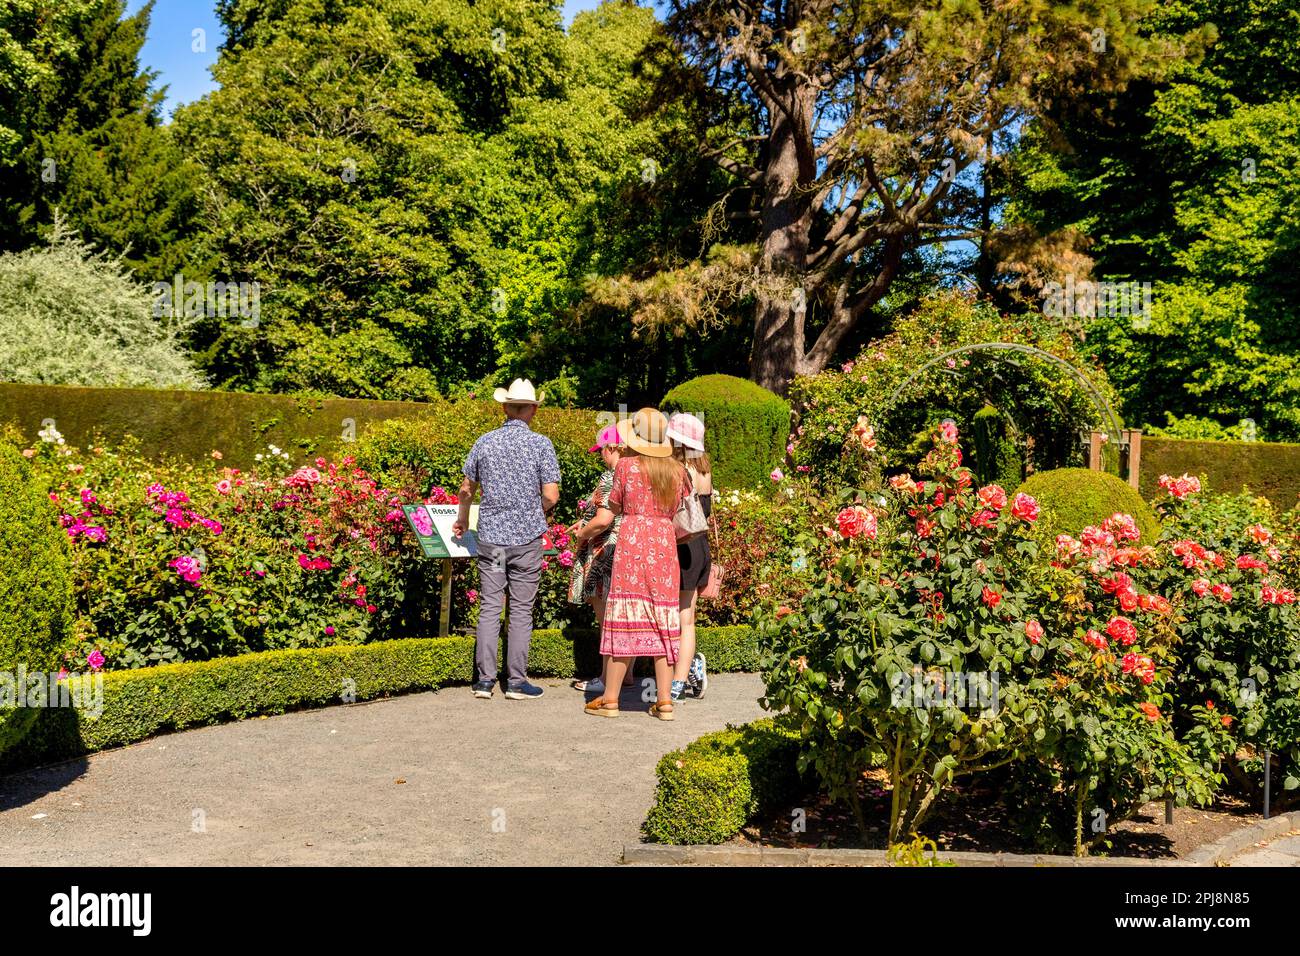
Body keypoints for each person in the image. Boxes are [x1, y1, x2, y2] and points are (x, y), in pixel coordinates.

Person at [454, 378, 560, 700]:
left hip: (492, 541)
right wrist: (533, 512)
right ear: (532, 411)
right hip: (526, 542)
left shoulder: (484, 442)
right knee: (521, 610)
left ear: (504, 407)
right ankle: (516, 682)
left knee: (489, 605)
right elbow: (552, 496)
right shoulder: (541, 444)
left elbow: (465, 490)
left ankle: (484, 682)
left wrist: (461, 519)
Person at [584, 408, 687, 720]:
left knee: (624, 616)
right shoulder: (678, 471)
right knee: (663, 619)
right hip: (664, 543)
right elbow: (679, 511)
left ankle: (611, 699)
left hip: (631, 541)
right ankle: (665, 702)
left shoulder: (626, 466)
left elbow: (612, 507)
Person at [567, 424, 633, 694]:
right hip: (626, 548)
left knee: (607, 617)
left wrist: (582, 533)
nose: (601, 456)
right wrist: (583, 522)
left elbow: (604, 520)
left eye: (602, 450)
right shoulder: (634, 474)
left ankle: (607, 679)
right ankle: (625, 675)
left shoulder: (611, 477)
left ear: (612, 448)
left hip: (605, 552)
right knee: (623, 616)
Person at [666, 412, 712, 702]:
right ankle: (683, 679)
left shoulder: (677, 471)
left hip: (679, 546)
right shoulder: (705, 469)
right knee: (688, 618)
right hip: (700, 547)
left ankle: (678, 680)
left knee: (676, 618)